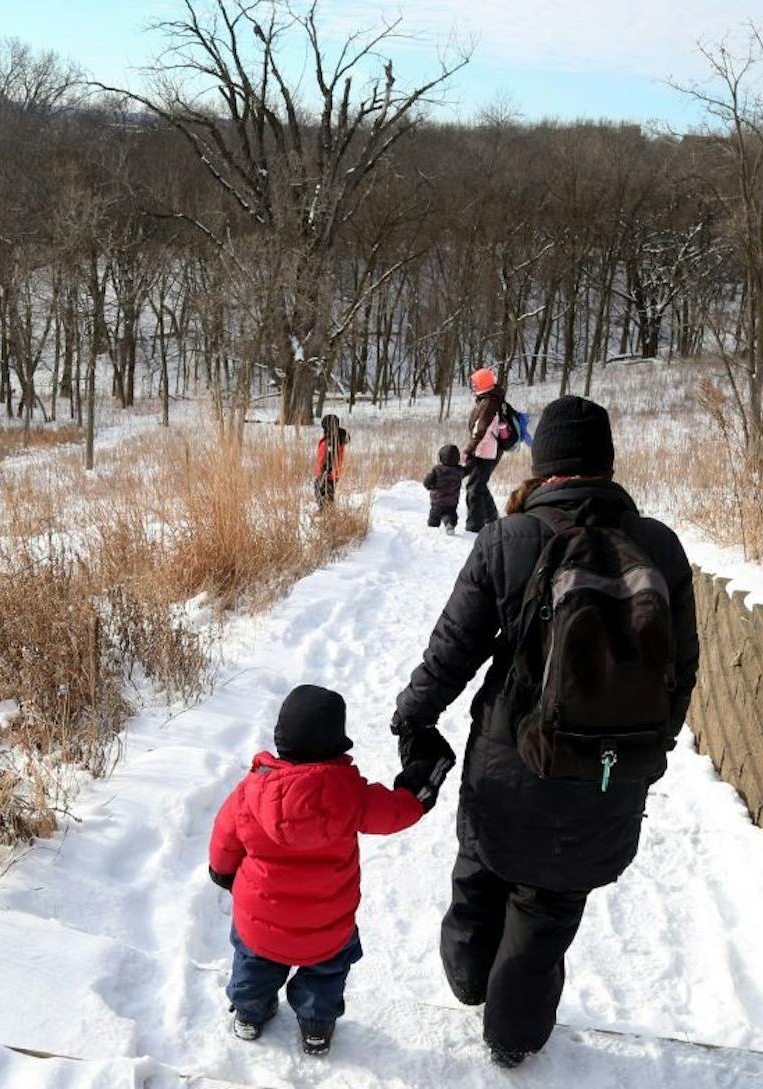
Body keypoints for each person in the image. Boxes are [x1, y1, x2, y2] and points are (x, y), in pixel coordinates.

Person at [389, 395, 700, 1069]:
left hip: (506, 769)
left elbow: (452, 650)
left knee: (480, 871)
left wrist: (412, 715)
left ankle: (469, 976)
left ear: (545, 462)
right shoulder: (660, 547)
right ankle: (513, 1038)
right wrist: (645, 752)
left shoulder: (511, 538)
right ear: (606, 463)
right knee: (548, 912)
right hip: (607, 779)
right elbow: (682, 671)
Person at [208, 684, 435, 1056]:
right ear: (336, 745)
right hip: (327, 927)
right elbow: (397, 812)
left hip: (260, 921)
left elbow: (224, 837)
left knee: (254, 962)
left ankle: (249, 1014)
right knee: (325, 974)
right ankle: (316, 1027)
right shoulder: (350, 794)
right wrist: (418, 786)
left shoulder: (251, 790)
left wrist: (221, 872)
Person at [462, 367, 506, 534]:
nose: (473, 385)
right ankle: (492, 518)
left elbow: (483, 431)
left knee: (474, 488)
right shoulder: (488, 398)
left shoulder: (489, 403)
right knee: (478, 484)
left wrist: (469, 450)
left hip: (486, 452)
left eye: (475, 382)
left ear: (483, 383)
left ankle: (474, 526)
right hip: (486, 450)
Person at [422, 444, 466, 532]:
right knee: (450, 514)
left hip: (437, 501)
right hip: (451, 502)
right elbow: (468, 469)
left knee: (434, 516)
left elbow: (427, 482)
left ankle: (432, 529)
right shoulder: (459, 471)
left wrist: (429, 486)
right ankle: (450, 524)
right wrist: (472, 460)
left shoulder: (437, 470)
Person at [313, 414, 349, 509]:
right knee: (326, 496)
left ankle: (326, 515)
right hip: (330, 474)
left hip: (327, 475)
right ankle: (326, 514)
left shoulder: (332, 440)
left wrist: (325, 470)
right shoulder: (336, 438)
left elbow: (330, 456)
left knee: (324, 497)